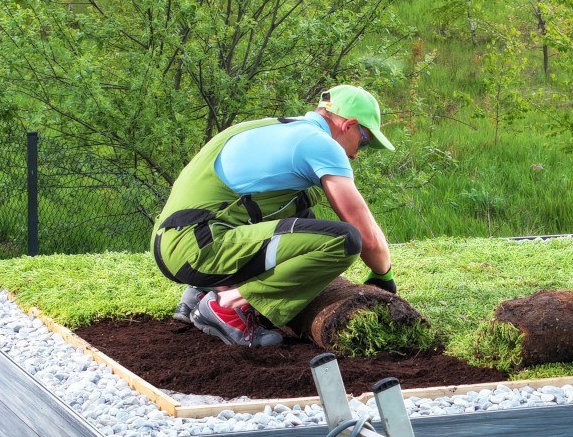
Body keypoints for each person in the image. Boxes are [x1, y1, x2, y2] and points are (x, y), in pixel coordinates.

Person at [151, 85, 397, 347]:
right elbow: (366, 235)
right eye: (365, 141)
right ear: (349, 124)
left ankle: (200, 293)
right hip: (199, 248)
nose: (357, 154)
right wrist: (384, 277)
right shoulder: (320, 144)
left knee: (302, 211)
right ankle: (228, 306)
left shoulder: (265, 128)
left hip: (176, 241)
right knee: (343, 240)